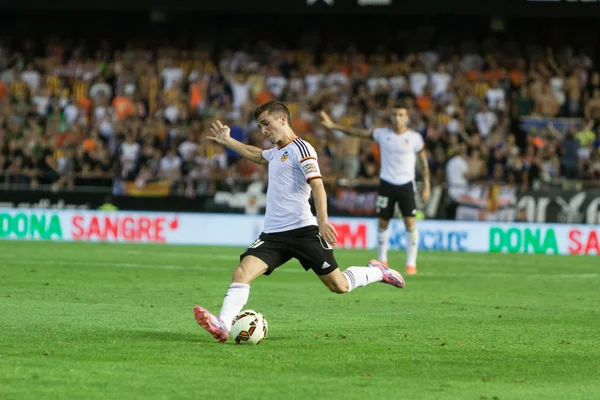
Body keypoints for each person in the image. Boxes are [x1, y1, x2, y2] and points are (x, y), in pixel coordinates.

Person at [194, 101, 406, 343]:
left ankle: (377, 272)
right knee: (241, 272)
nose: (263, 130)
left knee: (339, 285)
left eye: (266, 124)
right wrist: (228, 141)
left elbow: (318, 185)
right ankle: (223, 324)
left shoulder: (302, 149)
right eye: (260, 126)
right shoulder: (276, 152)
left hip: (303, 231)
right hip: (273, 235)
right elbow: (257, 155)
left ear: (282, 120)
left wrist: (323, 221)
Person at [320, 102, 430, 275]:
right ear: (390, 116)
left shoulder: (415, 138)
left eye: (401, 115)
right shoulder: (382, 134)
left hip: (407, 184)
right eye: (394, 114)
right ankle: (382, 260)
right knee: (382, 222)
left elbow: (424, 163)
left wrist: (427, 185)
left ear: (407, 117)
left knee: (410, 223)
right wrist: (334, 126)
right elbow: (357, 133)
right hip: (386, 183)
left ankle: (411, 264)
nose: (397, 118)